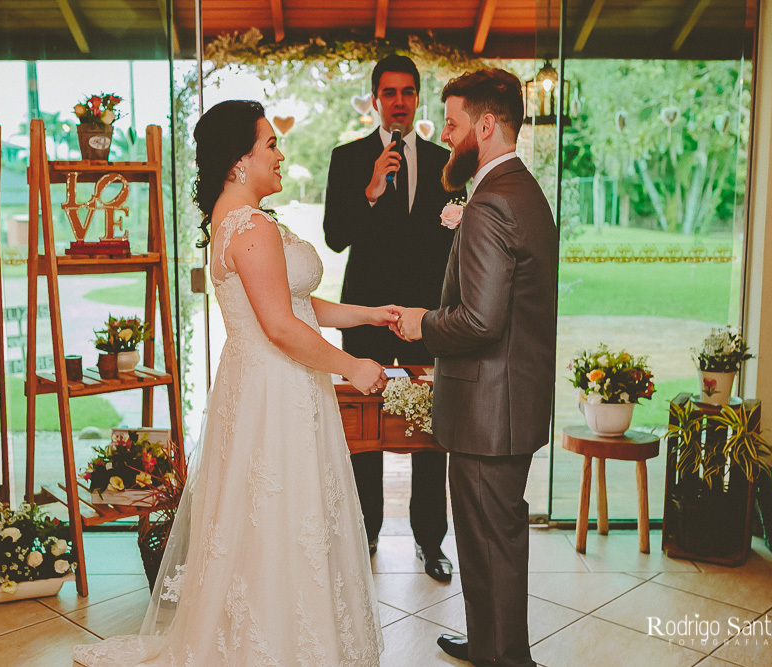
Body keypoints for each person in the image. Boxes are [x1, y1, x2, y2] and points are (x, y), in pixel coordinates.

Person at [74, 100, 395, 665]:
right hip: (277, 389)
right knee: (280, 516)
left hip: (269, 383)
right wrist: (353, 367)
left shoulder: (241, 219)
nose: (280, 153)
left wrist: (365, 314)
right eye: (270, 144)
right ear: (238, 161)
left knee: (272, 517)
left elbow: (294, 302)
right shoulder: (248, 226)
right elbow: (278, 325)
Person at [393, 69, 559, 667]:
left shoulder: (491, 203)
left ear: (486, 125)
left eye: (455, 123)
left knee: (490, 543)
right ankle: (493, 641)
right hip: (510, 402)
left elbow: (480, 321)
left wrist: (422, 324)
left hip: (490, 409)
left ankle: (505, 657)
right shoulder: (523, 190)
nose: (446, 133)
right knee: (495, 541)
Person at [323, 55, 465, 582]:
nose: (399, 101)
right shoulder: (348, 158)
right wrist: (371, 190)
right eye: (390, 92)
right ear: (376, 99)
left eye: (408, 92)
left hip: (428, 316)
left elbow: (454, 241)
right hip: (364, 314)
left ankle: (431, 542)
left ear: (416, 97)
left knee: (431, 427)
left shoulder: (445, 160)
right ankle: (366, 534)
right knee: (364, 429)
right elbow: (336, 235)